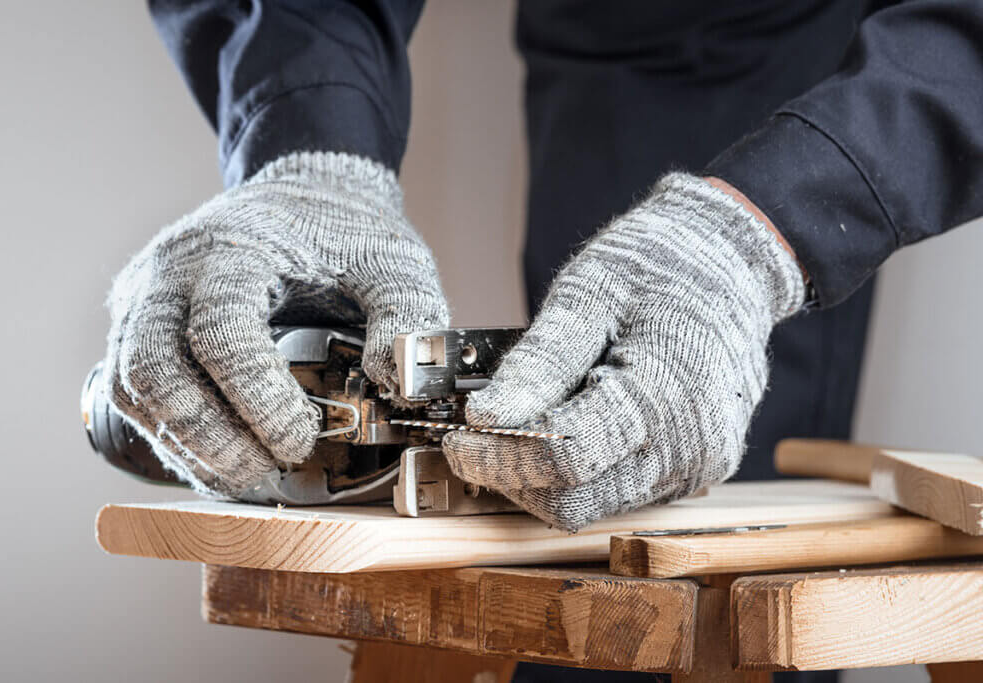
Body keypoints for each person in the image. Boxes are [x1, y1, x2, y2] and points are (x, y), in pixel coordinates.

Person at [105, 1, 982, 681]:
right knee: (580, 522)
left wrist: (770, 225)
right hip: (624, 31)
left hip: (733, 34)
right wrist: (304, 142)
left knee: (673, 495)